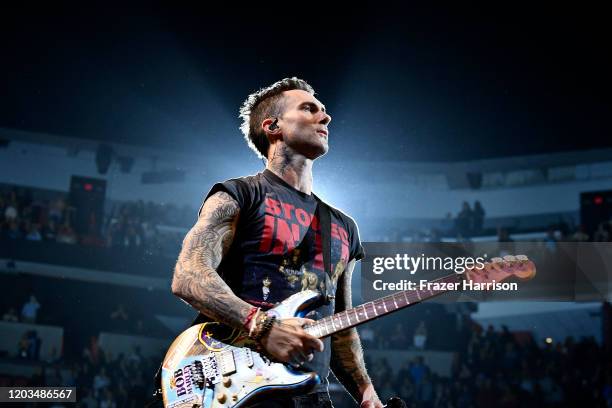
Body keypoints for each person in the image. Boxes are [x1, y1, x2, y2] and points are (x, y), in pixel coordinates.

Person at [171, 78, 381, 407]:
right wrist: (262, 326)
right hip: (234, 386)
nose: (325, 118)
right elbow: (189, 276)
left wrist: (368, 396)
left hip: (310, 395)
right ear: (273, 126)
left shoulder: (344, 227)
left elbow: (340, 327)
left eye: (324, 111)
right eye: (309, 108)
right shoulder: (239, 194)